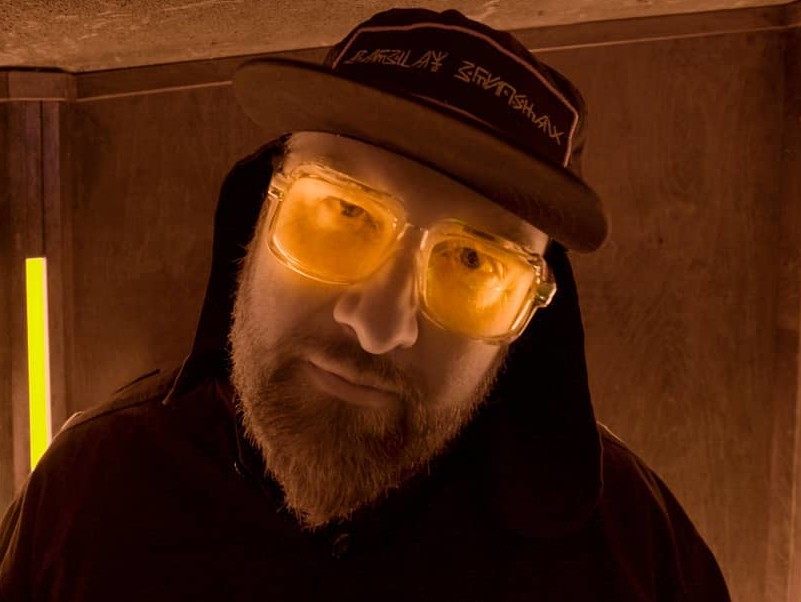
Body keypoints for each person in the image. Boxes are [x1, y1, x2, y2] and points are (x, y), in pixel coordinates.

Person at [0, 7, 730, 601]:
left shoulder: (634, 555)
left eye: (473, 261)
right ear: (259, 215)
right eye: (344, 214)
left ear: (528, 315)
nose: (378, 327)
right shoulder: (89, 498)